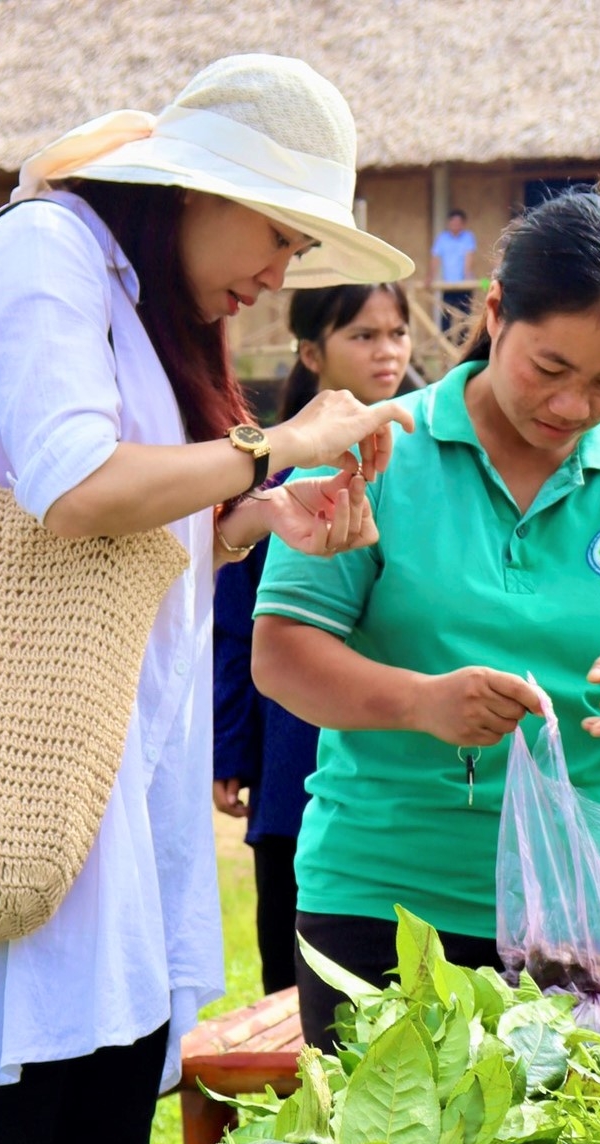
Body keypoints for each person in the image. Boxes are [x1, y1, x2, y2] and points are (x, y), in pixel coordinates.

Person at [0, 55, 416, 1144]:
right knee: (5, 1122)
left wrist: (258, 517)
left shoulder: (138, 294)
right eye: (279, 234)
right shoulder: (46, 249)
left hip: (117, 780)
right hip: (14, 761)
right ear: (195, 188)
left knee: (103, 1107)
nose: (282, 272)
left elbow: (128, 535)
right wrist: (278, 443)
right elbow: (74, 486)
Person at [252, 189, 600, 1041]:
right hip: (387, 900)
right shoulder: (376, 448)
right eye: (549, 369)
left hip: (588, 911)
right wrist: (419, 703)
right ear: (496, 311)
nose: (573, 407)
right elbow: (282, 654)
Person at [211, 281, 412, 994]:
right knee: (297, 993)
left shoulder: (422, 470)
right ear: (311, 353)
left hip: (398, 761)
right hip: (292, 757)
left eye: (396, 332)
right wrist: (230, 746)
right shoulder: (272, 474)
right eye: (362, 335)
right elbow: (233, 627)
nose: (386, 351)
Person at [431, 208, 478, 329]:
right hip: (448, 286)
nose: (456, 225)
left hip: (464, 285)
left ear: (463, 224)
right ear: (449, 223)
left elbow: (469, 258)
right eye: (453, 222)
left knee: (465, 317)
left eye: (458, 222)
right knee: (446, 318)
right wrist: (430, 277)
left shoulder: (468, 237)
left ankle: (464, 347)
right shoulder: (442, 238)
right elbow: (435, 258)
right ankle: (445, 346)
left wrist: (467, 277)